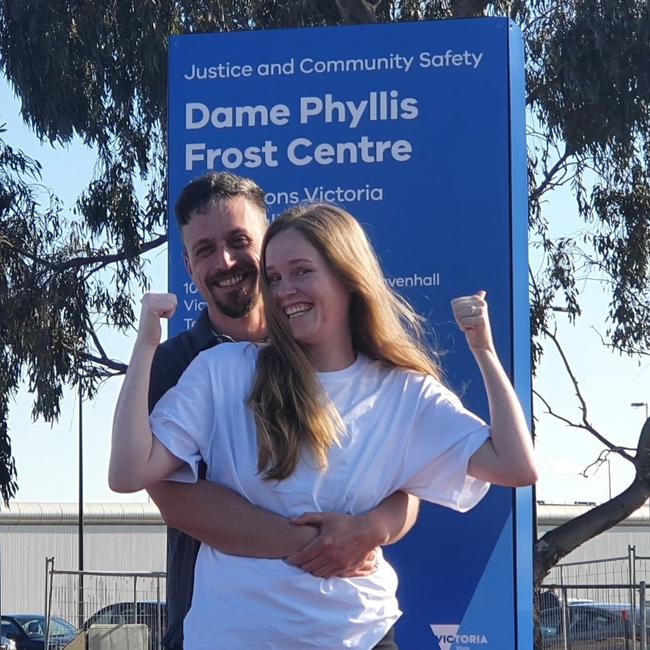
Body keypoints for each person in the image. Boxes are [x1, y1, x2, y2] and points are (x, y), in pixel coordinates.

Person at [110, 203, 538, 649]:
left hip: (361, 634)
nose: (284, 291)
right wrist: (145, 348)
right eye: (274, 277)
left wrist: (484, 352)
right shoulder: (223, 370)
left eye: (301, 272)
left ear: (347, 276)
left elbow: (515, 466)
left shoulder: (404, 392)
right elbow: (127, 472)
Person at [143, 173, 420, 650]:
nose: (226, 261)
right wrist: (321, 546)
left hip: (355, 628)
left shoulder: (336, 347)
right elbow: (176, 498)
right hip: (223, 628)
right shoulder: (178, 365)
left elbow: (406, 483)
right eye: (205, 250)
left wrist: (368, 530)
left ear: (268, 245)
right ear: (188, 265)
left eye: (239, 241)